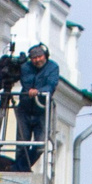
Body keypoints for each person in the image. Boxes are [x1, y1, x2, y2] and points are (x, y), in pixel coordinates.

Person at [14, 42, 59, 170]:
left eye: (40, 57)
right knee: (21, 144)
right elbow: (23, 81)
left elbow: (51, 85)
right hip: (25, 109)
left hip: (42, 110)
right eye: (34, 58)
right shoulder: (25, 67)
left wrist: (38, 91)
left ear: (45, 56)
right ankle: (20, 169)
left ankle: (19, 168)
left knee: (40, 145)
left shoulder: (53, 67)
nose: (37, 60)